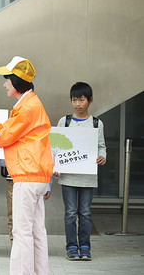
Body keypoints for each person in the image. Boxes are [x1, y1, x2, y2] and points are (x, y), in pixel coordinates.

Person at [0, 56, 53, 275]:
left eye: (7, 79)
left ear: (17, 81)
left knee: (22, 231)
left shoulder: (26, 108)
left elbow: (5, 136)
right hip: (36, 176)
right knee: (36, 232)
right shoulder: (30, 103)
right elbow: (9, 129)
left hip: (26, 175)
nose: (4, 83)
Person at [53, 82, 106, 261]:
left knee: (85, 213)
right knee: (70, 213)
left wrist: (102, 157)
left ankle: (85, 246)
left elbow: (101, 146)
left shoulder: (97, 123)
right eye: (74, 100)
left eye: (81, 100)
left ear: (90, 100)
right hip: (68, 177)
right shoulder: (64, 121)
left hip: (88, 177)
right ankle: (71, 247)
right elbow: (56, 148)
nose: (77, 104)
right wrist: (55, 167)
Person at [0, 160, 14, 243]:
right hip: (13, 178)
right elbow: (2, 160)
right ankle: (14, 243)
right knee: (12, 214)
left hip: (31, 179)